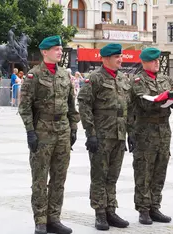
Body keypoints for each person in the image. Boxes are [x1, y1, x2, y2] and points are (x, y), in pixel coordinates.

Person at [18, 35, 80, 234]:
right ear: (45, 52)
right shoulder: (33, 75)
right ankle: (41, 221)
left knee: (59, 178)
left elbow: (72, 105)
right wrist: (30, 132)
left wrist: (73, 128)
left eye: (60, 49)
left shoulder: (64, 75)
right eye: (55, 49)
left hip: (62, 130)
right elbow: (25, 107)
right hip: (42, 131)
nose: (60, 52)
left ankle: (54, 218)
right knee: (40, 178)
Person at [78, 43, 130, 231]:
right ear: (106, 58)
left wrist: (128, 133)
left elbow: (127, 108)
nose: (120, 59)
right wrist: (90, 133)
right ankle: (100, 213)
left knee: (113, 176)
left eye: (121, 56)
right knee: (100, 175)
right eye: (117, 56)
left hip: (119, 135)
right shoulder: (95, 78)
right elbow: (84, 106)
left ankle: (111, 210)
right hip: (101, 136)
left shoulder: (123, 78)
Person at [129, 48, 173, 225]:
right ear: (144, 62)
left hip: (163, 129)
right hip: (145, 130)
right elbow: (143, 103)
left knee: (160, 169)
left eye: (158, 60)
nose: (157, 63)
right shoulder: (138, 81)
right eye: (153, 60)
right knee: (144, 170)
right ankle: (143, 209)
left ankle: (155, 206)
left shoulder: (166, 79)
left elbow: (172, 98)